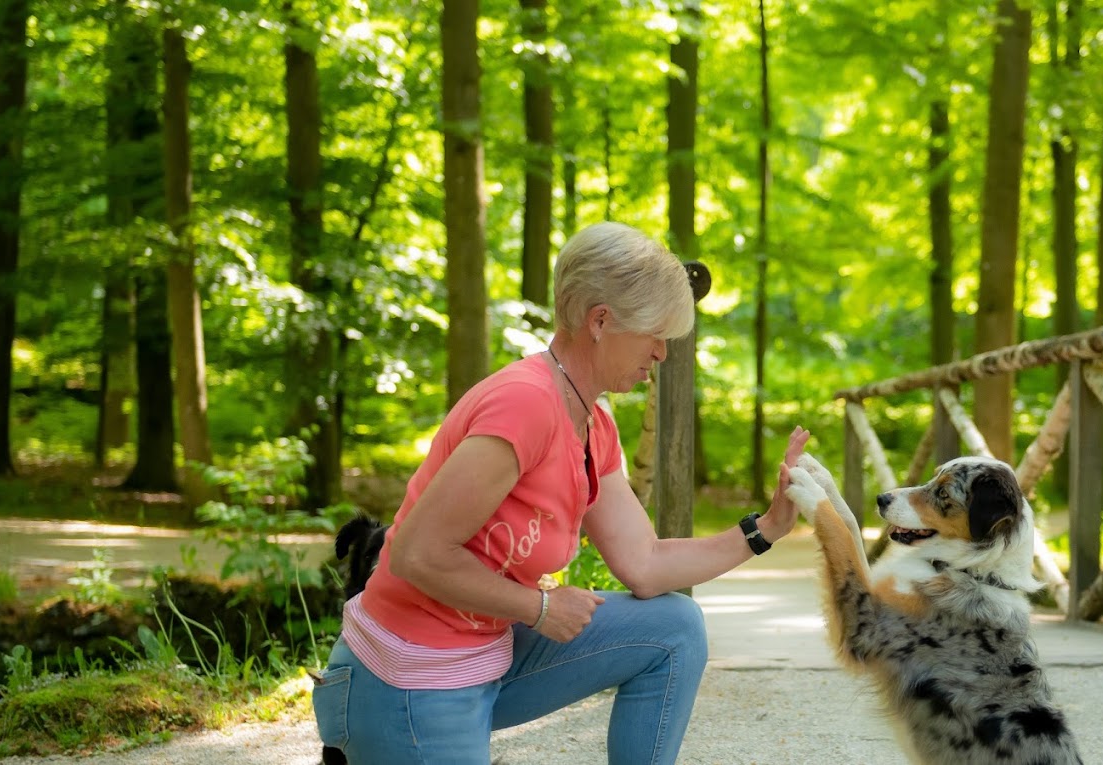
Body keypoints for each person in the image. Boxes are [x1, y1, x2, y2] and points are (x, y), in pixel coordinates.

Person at [312, 221, 812, 765]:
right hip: (409, 678)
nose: (662, 354)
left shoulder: (593, 424)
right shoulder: (525, 404)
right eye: (654, 334)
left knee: (675, 627)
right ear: (600, 320)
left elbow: (643, 563)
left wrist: (765, 530)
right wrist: (539, 606)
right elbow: (414, 554)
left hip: (487, 657)